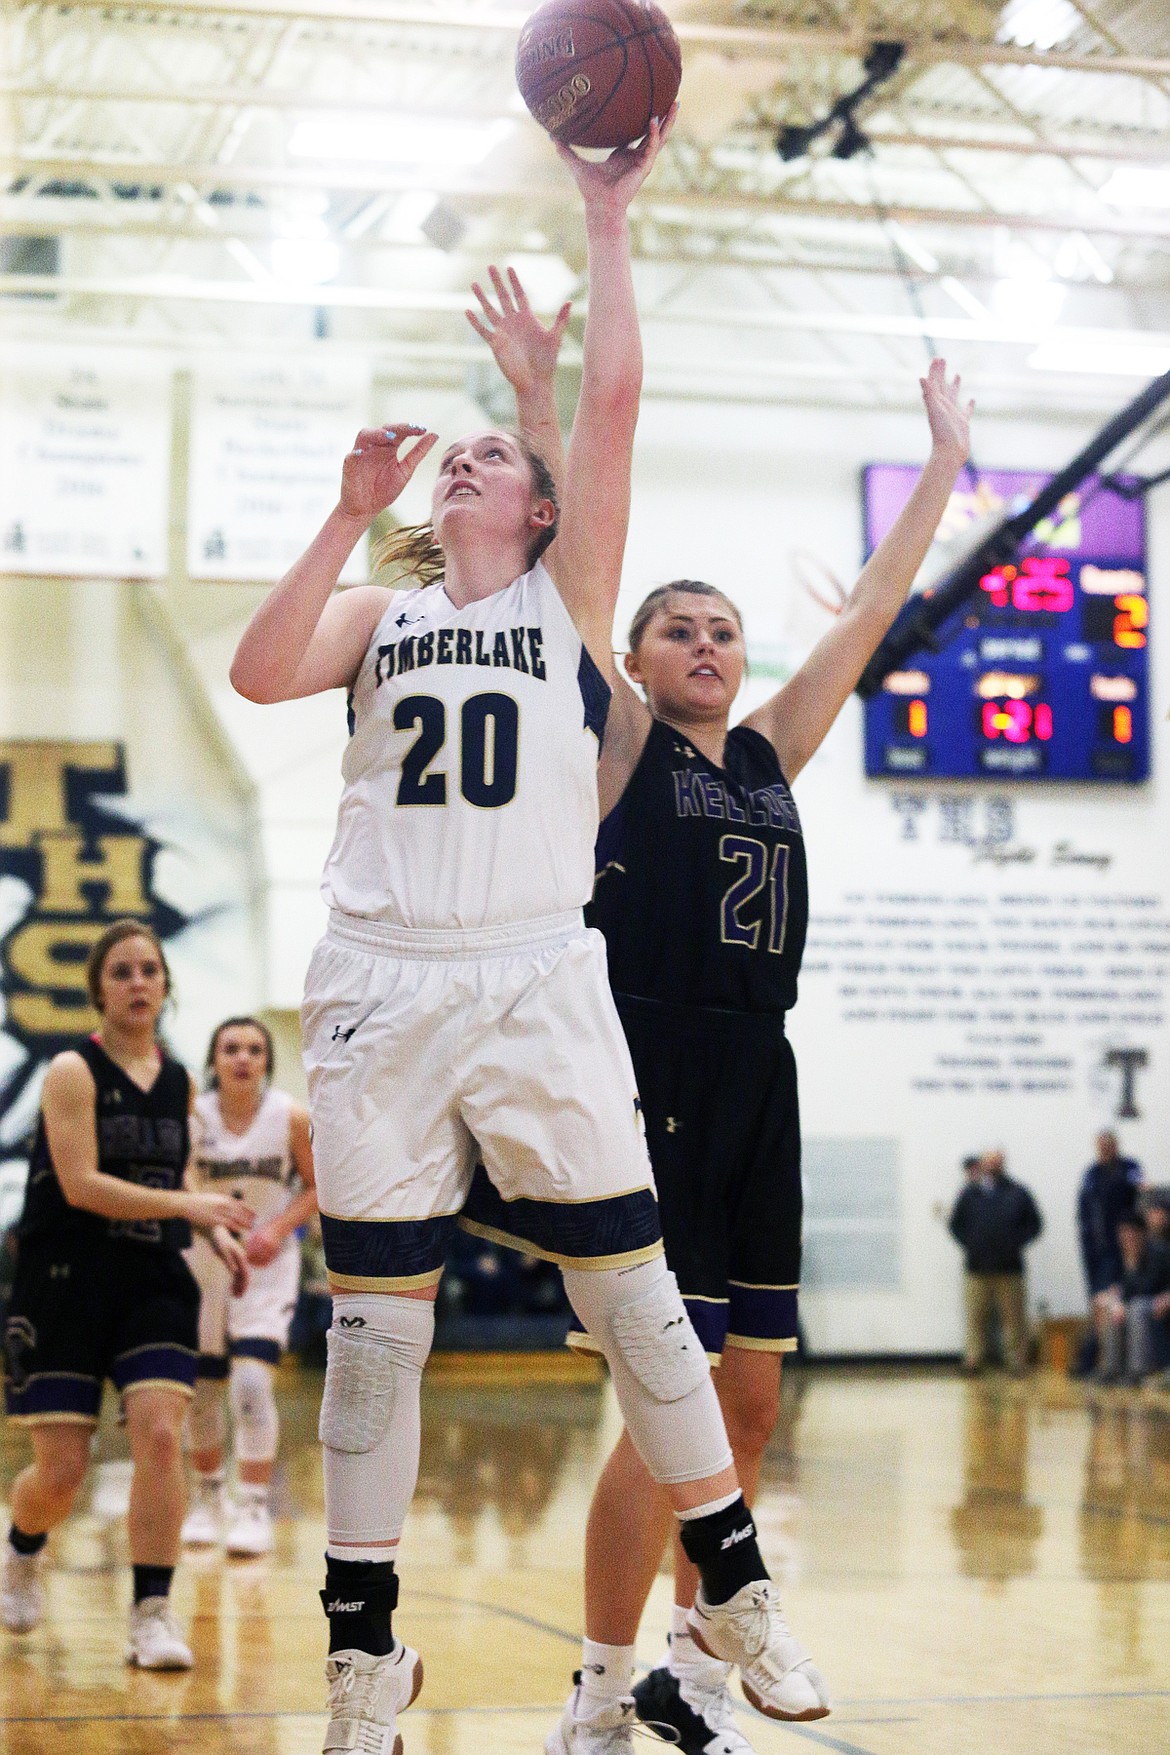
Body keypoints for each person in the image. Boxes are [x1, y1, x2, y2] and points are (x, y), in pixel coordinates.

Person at [231, 109, 848, 1755]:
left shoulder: (568, 615)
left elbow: (614, 413)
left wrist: (604, 222)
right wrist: (342, 510)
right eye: (467, 462)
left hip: (535, 973)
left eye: (498, 460)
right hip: (376, 982)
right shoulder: (381, 609)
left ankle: (735, 1588)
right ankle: (364, 1658)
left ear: (537, 497)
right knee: (374, 1331)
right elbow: (254, 671)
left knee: (642, 1302)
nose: (474, 468)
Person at [469, 275, 973, 1751]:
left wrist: (940, 464)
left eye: (721, 627)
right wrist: (531, 397)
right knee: (664, 1409)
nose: (702, 640)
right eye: (675, 625)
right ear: (634, 657)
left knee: (747, 1406)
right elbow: (570, 566)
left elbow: (876, 608)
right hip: (647, 1067)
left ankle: (694, 1665)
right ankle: (599, 1680)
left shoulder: (766, 751)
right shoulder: (619, 741)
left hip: (763, 1073)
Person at [1, 920, 252, 1664]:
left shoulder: (177, 1081)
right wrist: (189, 1207)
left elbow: (180, 1182)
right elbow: (80, 1185)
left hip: (151, 1281)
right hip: (64, 1281)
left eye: (149, 969)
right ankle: (20, 1548)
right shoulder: (72, 1072)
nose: (138, 981)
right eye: (122, 971)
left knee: (161, 1434)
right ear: (99, 990)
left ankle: (151, 1612)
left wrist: (215, 1227)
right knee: (62, 1472)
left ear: (166, 985)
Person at [182, 1015, 317, 1556]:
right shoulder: (193, 1116)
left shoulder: (290, 1117)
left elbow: (317, 1185)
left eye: (254, 1049)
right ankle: (207, 1498)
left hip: (265, 1265)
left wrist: (280, 1229)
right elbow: (181, 1178)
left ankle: (255, 1503)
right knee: (203, 1391)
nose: (242, 1058)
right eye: (231, 1048)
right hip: (203, 1260)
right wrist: (212, 1225)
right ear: (214, 1059)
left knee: (252, 1385)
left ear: (267, 1060)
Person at [948, 1151, 1043, 1375]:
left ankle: (1017, 1362)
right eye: (988, 1162)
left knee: (1014, 1319)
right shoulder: (969, 1193)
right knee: (975, 1318)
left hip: (1009, 1268)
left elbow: (1035, 1224)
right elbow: (955, 1225)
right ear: (983, 1165)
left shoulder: (1019, 1192)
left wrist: (1015, 1243)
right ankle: (973, 1360)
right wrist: (971, 1244)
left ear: (1002, 1164)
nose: (992, 1166)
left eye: (996, 1162)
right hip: (976, 1268)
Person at [1078, 1131, 1143, 1362]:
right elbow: (1085, 1212)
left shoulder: (1130, 1168)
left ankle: (1120, 1358)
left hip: (1126, 1246)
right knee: (1100, 1300)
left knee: (1124, 1297)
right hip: (1099, 1250)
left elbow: (1139, 1193)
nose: (1105, 1151)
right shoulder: (1092, 1174)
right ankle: (1099, 1357)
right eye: (1101, 1147)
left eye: (1109, 1146)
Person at [1095, 1211, 1170, 1385]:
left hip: (1159, 1302)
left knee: (1136, 1308)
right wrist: (1114, 1302)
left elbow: (1148, 1287)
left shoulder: (1160, 1253)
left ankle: (1138, 1370)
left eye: (1131, 1232)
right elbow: (1117, 1289)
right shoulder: (1120, 1257)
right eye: (1123, 1233)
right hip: (1139, 1303)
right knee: (1113, 1310)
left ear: (1142, 1233)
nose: (1127, 1237)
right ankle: (1111, 1369)